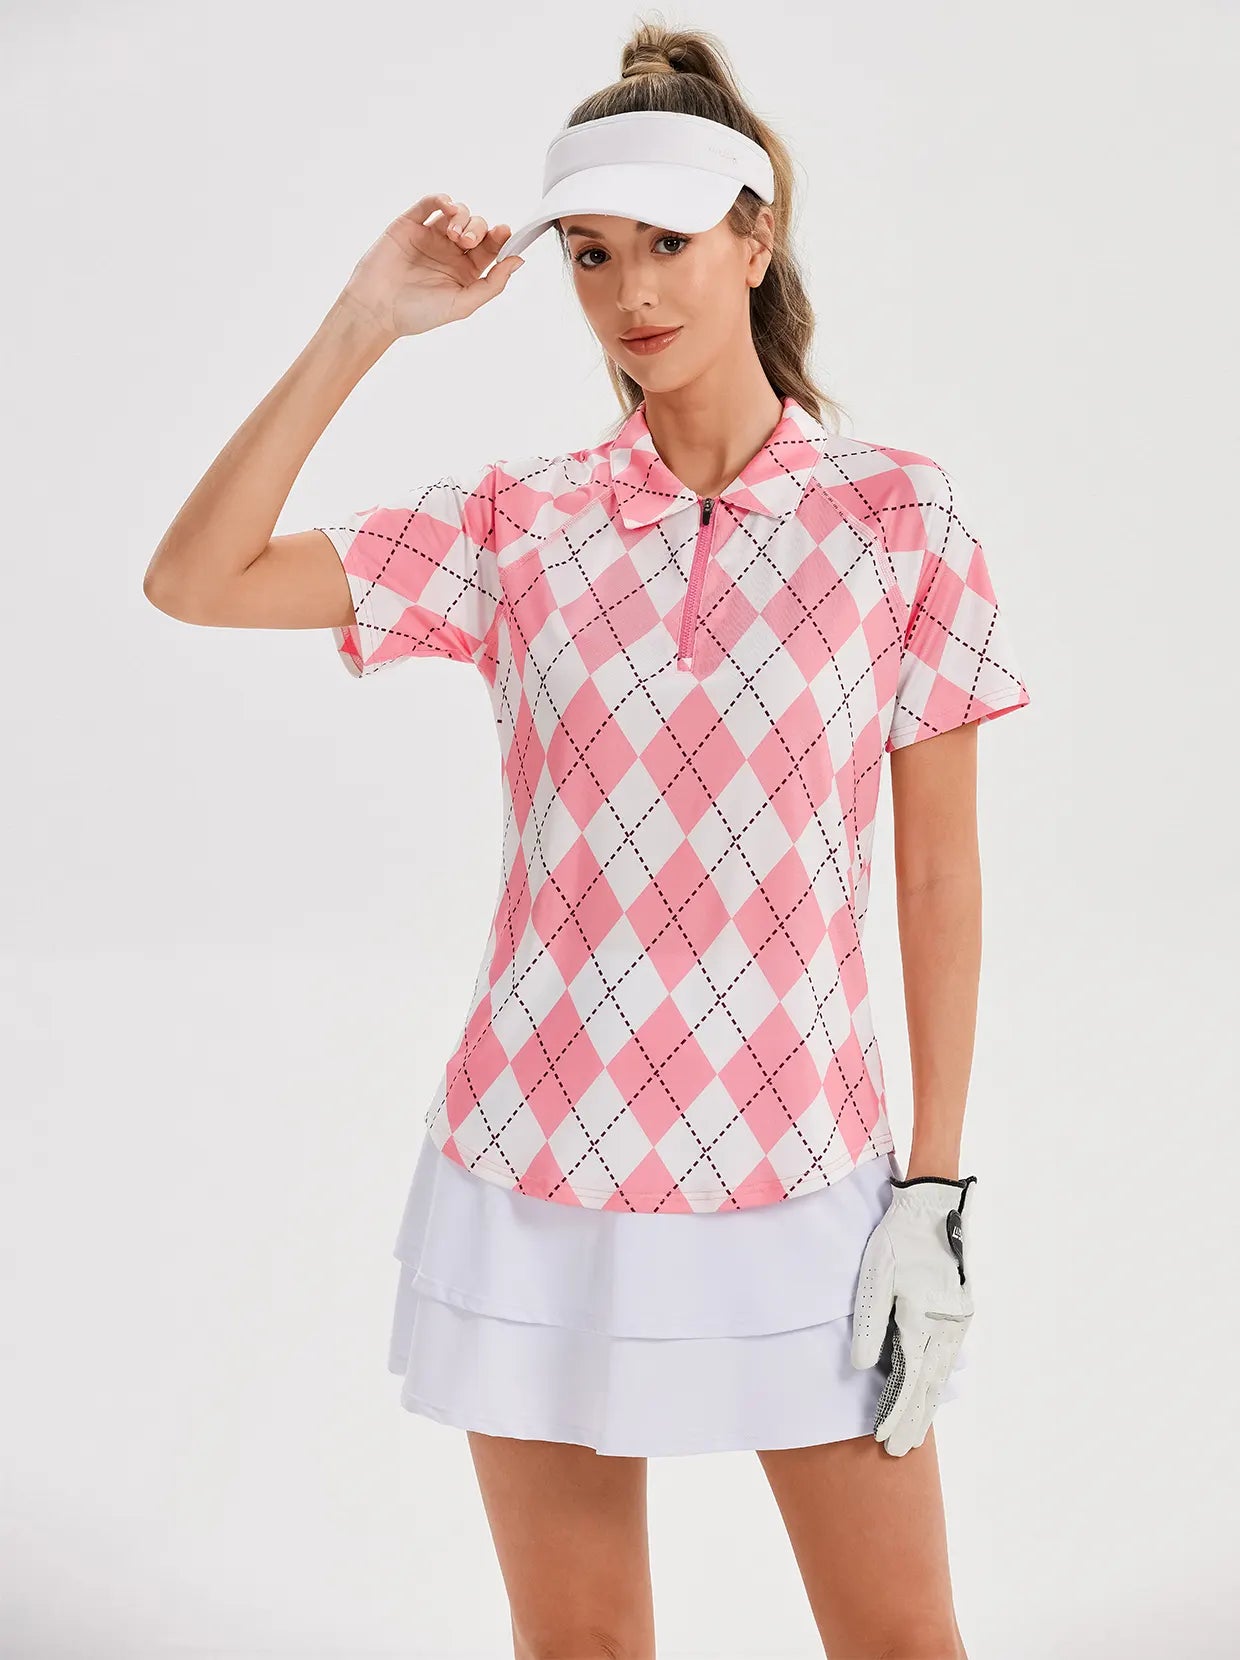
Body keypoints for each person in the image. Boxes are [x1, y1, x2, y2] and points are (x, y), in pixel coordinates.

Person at [143, 19, 1030, 1660]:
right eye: (594, 253)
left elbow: (935, 872)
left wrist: (934, 1185)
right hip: (533, 1170)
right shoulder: (517, 521)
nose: (633, 292)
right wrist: (364, 323)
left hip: (801, 1175)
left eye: (671, 243)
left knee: (904, 1643)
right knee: (582, 1651)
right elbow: (197, 580)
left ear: (757, 239)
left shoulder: (898, 518)